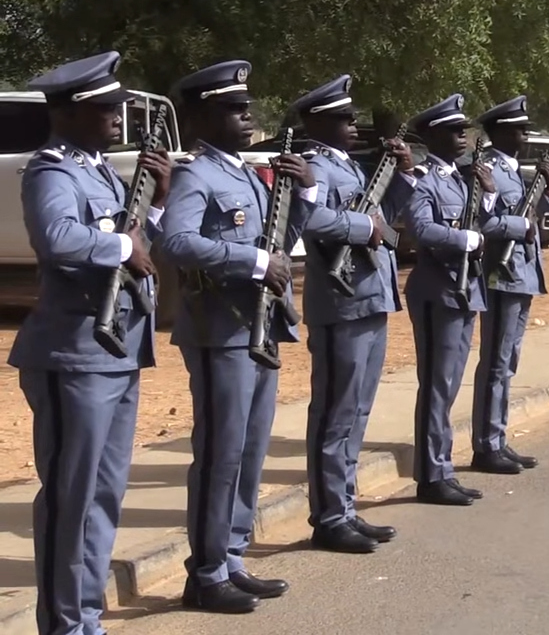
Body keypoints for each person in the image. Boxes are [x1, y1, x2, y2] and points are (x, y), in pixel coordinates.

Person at [9, 51, 171, 635]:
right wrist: (126, 248)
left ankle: (87, 617)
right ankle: (64, 624)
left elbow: (141, 245)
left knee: (104, 495)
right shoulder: (52, 171)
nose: (116, 120)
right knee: (70, 501)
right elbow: (57, 238)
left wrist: (155, 203)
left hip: (116, 350)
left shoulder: (102, 172)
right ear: (75, 112)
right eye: (106, 110)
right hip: (72, 353)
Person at [157, 60, 319, 614]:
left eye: (245, 105)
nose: (246, 115)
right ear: (202, 114)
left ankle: (231, 558)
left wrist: (307, 195)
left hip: (260, 327)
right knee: (221, 453)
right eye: (232, 107)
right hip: (220, 329)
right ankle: (204, 572)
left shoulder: (245, 173)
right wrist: (249, 260)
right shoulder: (196, 174)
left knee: (250, 451)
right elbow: (176, 243)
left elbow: (280, 243)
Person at [292, 75, 417, 554]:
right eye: (342, 118)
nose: (352, 125)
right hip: (341, 302)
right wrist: (363, 224)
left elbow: (385, 217)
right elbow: (312, 220)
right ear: (317, 122)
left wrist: (403, 175)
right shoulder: (315, 167)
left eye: (351, 116)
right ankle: (328, 517)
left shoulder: (349, 166)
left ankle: (344, 507)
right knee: (335, 414)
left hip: (370, 297)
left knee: (358, 412)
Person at [401, 94, 497, 506]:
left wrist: (488, 196)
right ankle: (430, 475)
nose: (463, 136)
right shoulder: (425, 180)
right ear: (435, 136)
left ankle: (443, 467)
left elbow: (481, 219)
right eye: (454, 130)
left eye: (463, 129)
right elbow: (419, 229)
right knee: (437, 386)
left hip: (463, 290)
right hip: (437, 289)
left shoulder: (460, 178)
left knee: (450, 383)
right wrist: (464, 238)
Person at [470, 95, 549, 475]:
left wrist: (548, 190)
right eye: (520, 129)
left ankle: (498, 438)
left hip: (522, 274)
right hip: (500, 275)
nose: (525, 135)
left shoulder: (513, 168)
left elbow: (534, 218)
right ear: (501, 132)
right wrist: (519, 226)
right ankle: (486, 445)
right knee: (495, 362)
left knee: (508, 363)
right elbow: (480, 223)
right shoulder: (486, 169)